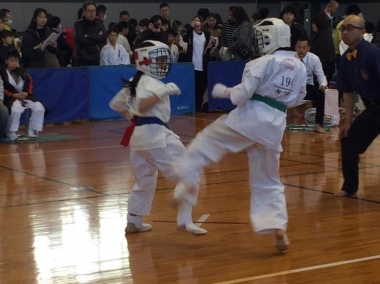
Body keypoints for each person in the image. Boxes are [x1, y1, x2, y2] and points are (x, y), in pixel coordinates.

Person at [170, 18, 307, 252]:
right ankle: (277, 226)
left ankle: (187, 189)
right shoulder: (300, 66)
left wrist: (224, 92)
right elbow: (297, 98)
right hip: (275, 125)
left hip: (250, 118)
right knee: (268, 179)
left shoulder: (261, 62)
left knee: (204, 143)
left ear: (268, 37)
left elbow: (242, 95)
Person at [109, 40, 207, 235]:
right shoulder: (151, 82)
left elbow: (117, 105)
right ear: (146, 60)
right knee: (191, 169)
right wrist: (164, 90)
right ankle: (184, 217)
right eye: (160, 60)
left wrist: (134, 119)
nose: (163, 64)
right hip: (156, 136)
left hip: (138, 139)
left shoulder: (134, 81)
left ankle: (134, 221)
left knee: (145, 180)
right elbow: (142, 106)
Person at [335, 15, 380, 198]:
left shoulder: (372, 53)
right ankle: (350, 187)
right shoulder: (345, 59)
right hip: (372, 109)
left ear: (363, 32)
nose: (345, 32)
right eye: (343, 28)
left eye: (350, 28)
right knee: (349, 141)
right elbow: (347, 92)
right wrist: (348, 120)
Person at [0, 50, 48, 141]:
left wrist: (27, 93)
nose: (14, 63)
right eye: (12, 60)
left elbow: (30, 82)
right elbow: (2, 88)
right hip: (10, 98)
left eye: (16, 61)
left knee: (39, 106)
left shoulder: (22, 72)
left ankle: (31, 129)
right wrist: (14, 95)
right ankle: (11, 131)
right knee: (16, 108)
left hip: (24, 96)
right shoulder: (2, 73)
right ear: (6, 61)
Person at [294, 36, 328, 133]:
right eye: (299, 47)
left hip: (307, 86)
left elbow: (320, 75)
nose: (301, 50)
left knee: (321, 95)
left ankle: (318, 124)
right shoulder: (289, 58)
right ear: (295, 47)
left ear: (309, 48)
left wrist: (323, 84)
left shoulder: (314, 59)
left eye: (304, 47)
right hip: (292, 86)